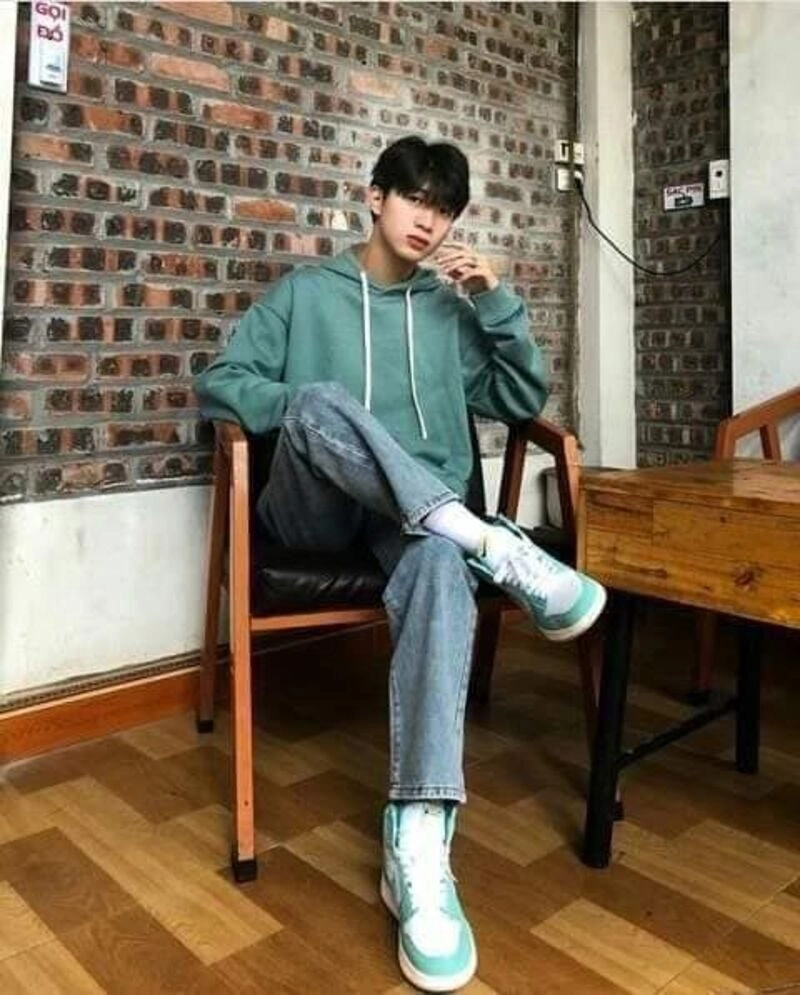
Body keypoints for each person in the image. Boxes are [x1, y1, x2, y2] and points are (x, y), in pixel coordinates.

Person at [195, 135, 605, 992]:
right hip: (315, 514)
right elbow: (222, 382)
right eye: (415, 197)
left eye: (444, 208)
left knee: (436, 565)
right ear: (375, 195)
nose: (429, 219)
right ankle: (486, 538)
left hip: (409, 531)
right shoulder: (307, 294)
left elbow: (521, 398)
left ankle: (416, 836)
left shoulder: (449, 313)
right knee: (319, 402)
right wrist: (299, 410)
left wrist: (495, 301)